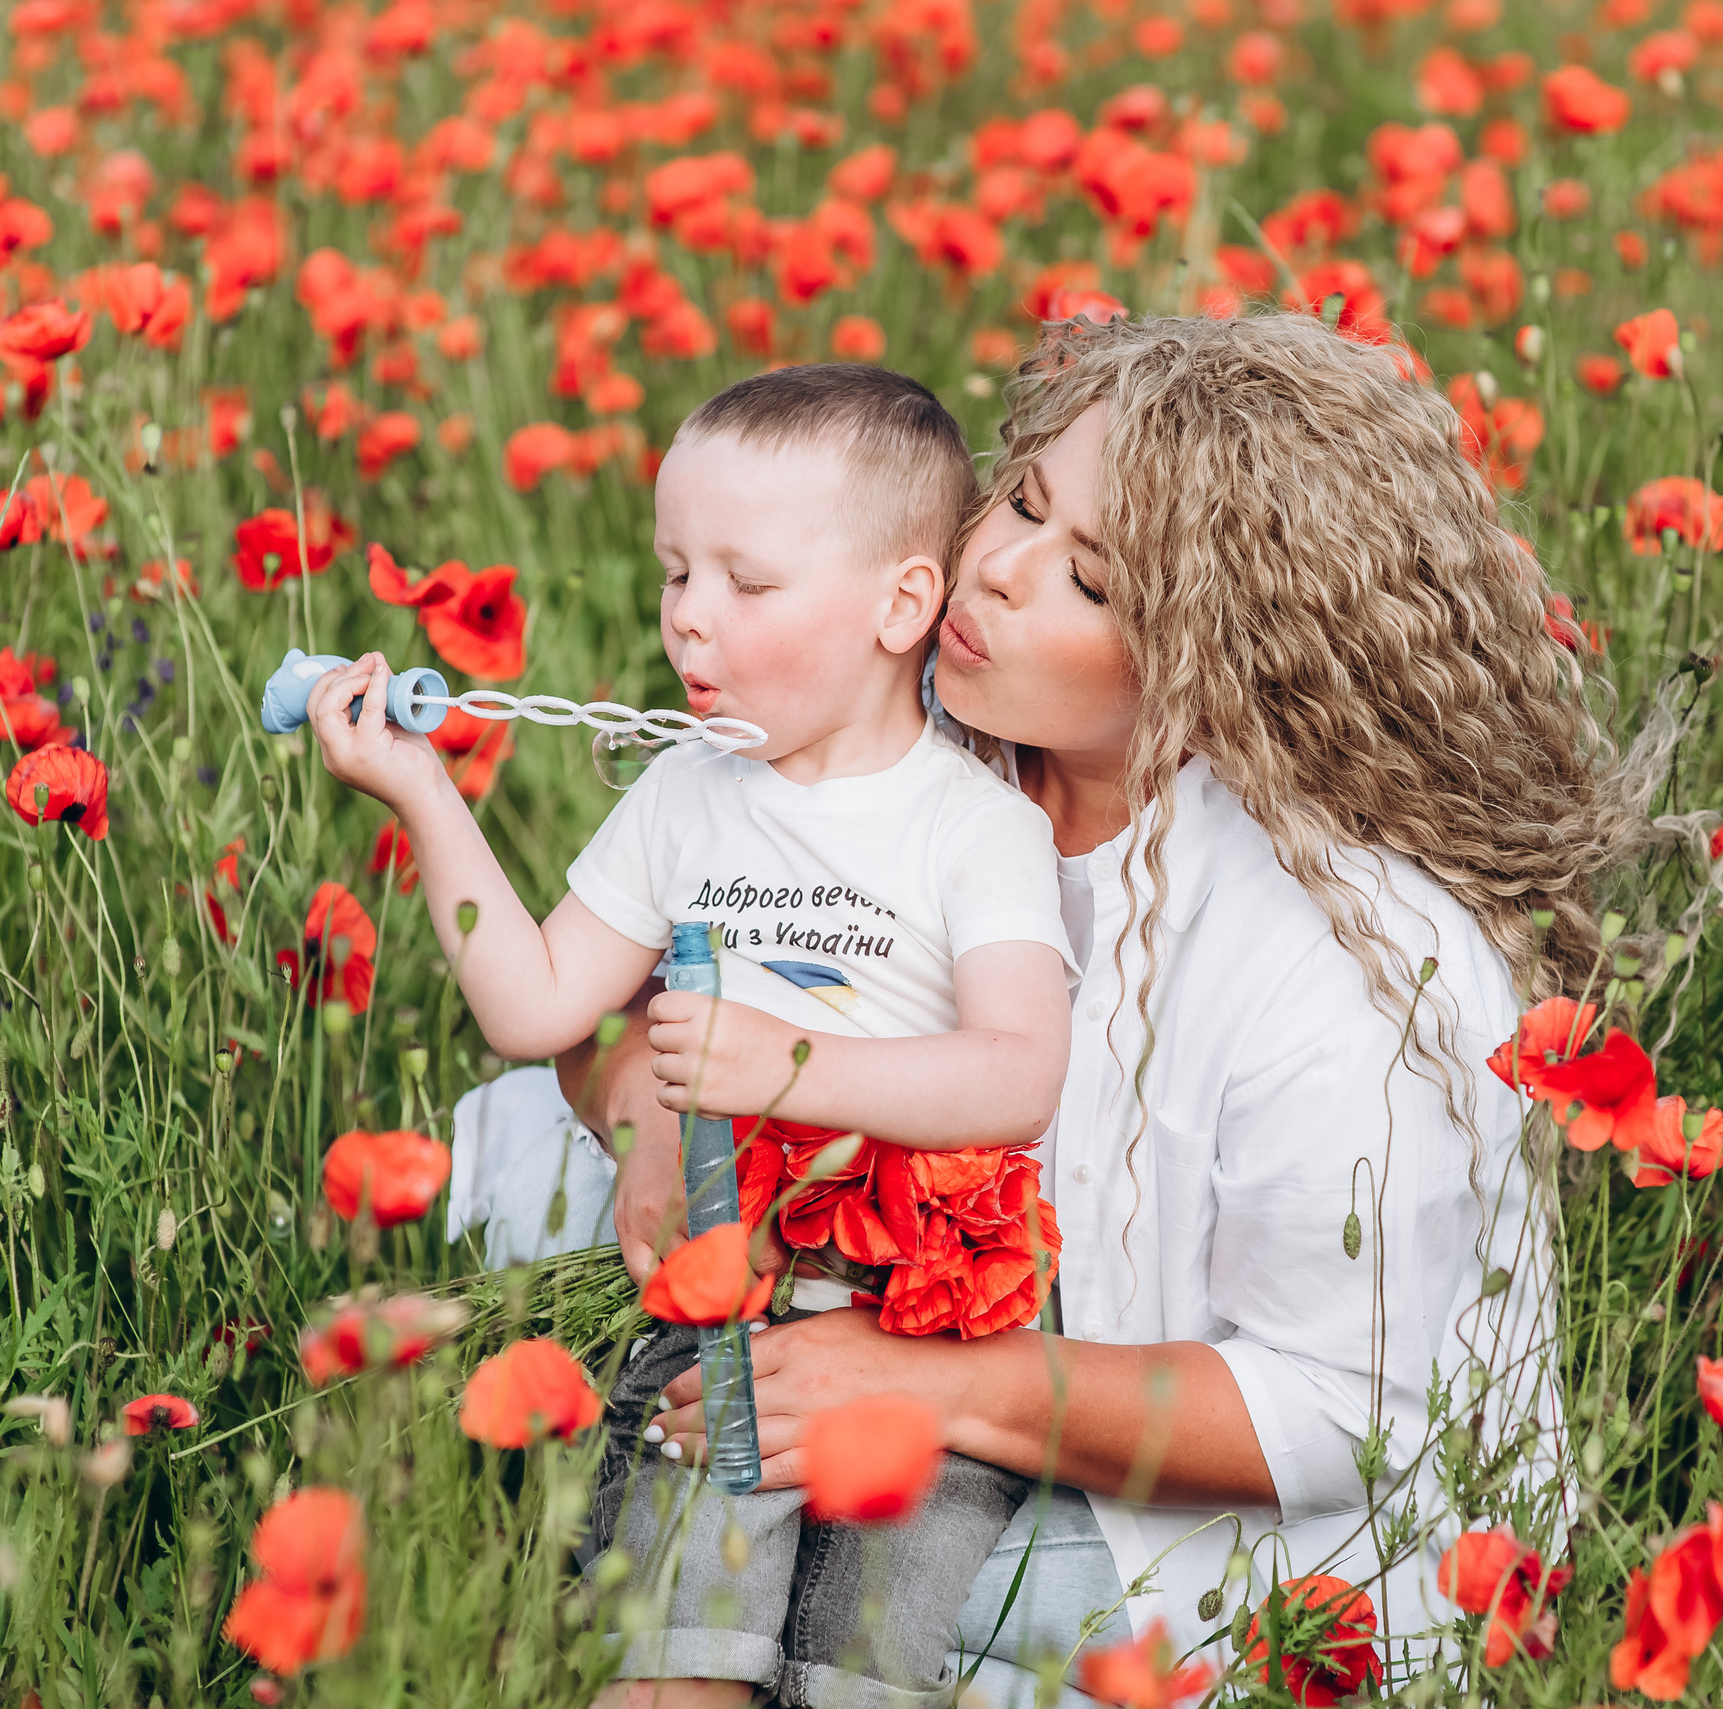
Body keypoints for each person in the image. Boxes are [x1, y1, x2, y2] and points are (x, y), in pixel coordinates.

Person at [557, 312, 1651, 1708]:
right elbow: (610, 1001)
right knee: (681, 1501)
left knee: (904, 1632)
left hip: (1245, 1524)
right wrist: (645, 1100)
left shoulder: (1355, 961)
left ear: (1223, 658)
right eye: (1019, 499)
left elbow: (1334, 1414)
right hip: (893, 1339)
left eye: (1087, 577)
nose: (995, 569)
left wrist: (929, 1388)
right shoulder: (907, 750)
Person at [304, 363, 1080, 1704]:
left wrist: (773, 1059)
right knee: (674, 1669)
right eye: (675, 575)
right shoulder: (684, 795)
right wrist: (421, 792)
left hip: (924, 1343)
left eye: (747, 584)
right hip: (716, 1315)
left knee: (862, 1677)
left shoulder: (974, 826)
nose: (688, 621)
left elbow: (1018, 1073)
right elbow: (536, 1002)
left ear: (902, 605)